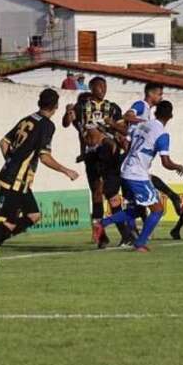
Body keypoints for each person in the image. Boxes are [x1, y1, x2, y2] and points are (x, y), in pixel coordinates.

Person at [0, 88, 79, 271]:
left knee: (33, 216)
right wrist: (67, 171)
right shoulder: (47, 125)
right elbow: (44, 157)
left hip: (17, 178)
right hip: (15, 180)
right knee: (9, 222)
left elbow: (3, 143)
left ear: (39, 103)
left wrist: (11, 161)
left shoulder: (27, 119)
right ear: (56, 106)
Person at [99, 100, 183, 252]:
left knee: (137, 210)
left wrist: (111, 123)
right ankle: (140, 243)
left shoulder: (143, 124)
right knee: (157, 210)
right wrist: (178, 166)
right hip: (137, 174)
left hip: (126, 169)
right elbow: (166, 162)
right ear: (170, 116)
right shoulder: (163, 135)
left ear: (155, 112)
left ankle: (102, 223)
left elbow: (126, 133)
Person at [62, 77, 124, 246]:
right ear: (91, 87)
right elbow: (66, 123)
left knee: (111, 193)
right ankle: (101, 235)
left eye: (105, 86)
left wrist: (113, 127)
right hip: (91, 154)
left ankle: (125, 233)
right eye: (99, 86)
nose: (102, 89)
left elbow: (122, 129)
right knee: (97, 192)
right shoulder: (81, 106)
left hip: (108, 152)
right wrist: (68, 112)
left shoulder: (113, 108)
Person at [80, 125, 136, 247]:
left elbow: (115, 152)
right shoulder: (87, 137)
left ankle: (125, 235)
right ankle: (106, 237)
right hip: (95, 171)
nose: (88, 135)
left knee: (110, 199)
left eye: (91, 132)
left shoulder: (107, 142)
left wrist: (102, 179)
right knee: (100, 199)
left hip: (109, 173)